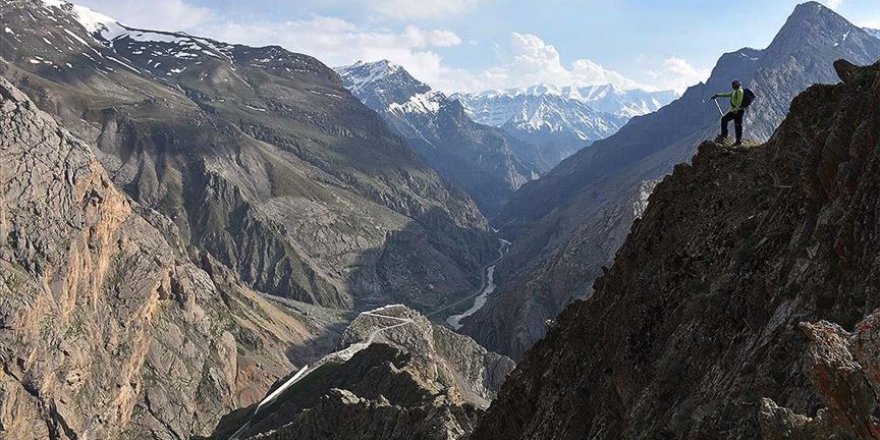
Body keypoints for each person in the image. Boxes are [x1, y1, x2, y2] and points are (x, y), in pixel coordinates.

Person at [712, 80, 745, 146]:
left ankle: (725, 136)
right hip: (736, 110)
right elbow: (728, 94)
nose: (733, 86)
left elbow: (739, 101)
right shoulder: (735, 91)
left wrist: (736, 109)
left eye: (734, 85)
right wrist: (718, 95)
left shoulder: (740, 91)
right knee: (737, 125)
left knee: (726, 120)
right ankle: (737, 141)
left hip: (738, 111)